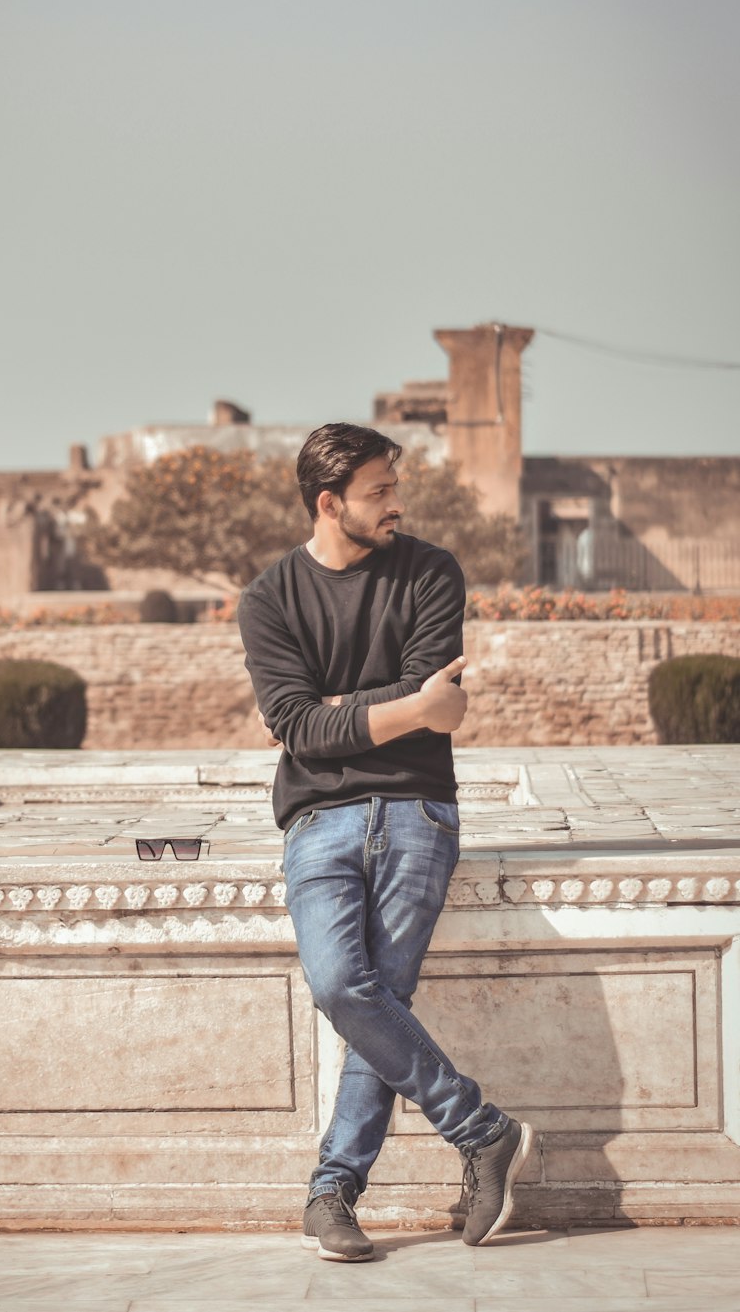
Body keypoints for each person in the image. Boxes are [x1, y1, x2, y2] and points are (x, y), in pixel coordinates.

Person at [237, 422, 533, 1260]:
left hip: (416, 810)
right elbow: (309, 724)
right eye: (378, 491)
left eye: (394, 486)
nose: (396, 503)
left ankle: (332, 1190)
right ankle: (480, 1128)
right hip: (316, 819)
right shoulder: (268, 598)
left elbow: (406, 692)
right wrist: (404, 710)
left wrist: (336, 711)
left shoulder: (432, 570)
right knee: (343, 984)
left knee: (380, 998)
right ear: (330, 503)